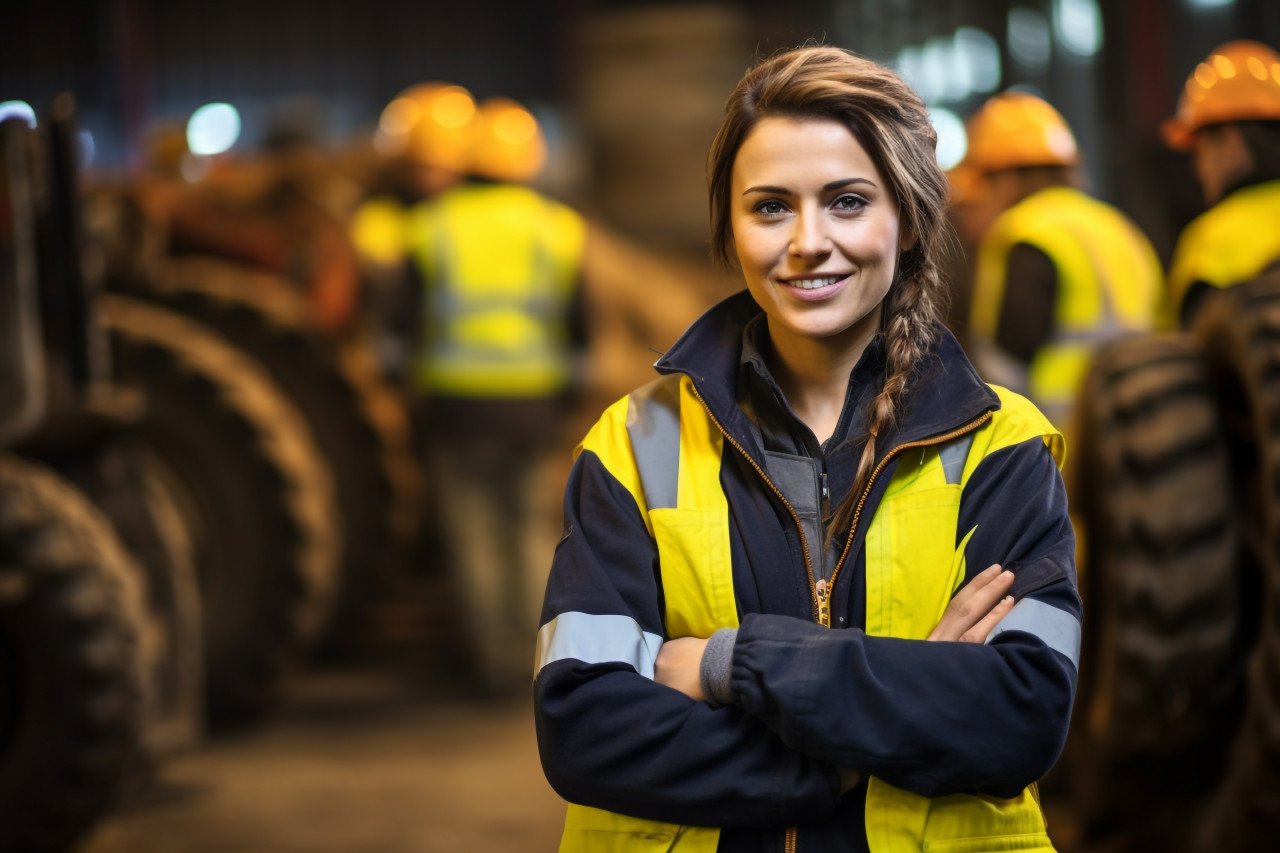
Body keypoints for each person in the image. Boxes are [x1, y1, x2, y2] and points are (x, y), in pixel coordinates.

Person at [534, 46, 1080, 853]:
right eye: (770, 207)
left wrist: (730, 662)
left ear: (910, 219)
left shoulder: (1002, 446)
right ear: (730, 225)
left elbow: (1019, 717)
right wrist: (882, 725)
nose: (808, 242)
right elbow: (586, 728)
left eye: (849, 202)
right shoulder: (633, 444)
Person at [397, 94, 590, 694]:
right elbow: (579, 331)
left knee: (472, 532)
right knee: (529, 528)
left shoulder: (429, 226)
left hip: (455, 405)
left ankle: (494, 666)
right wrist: (563, 396)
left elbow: (397, 330)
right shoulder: (558, 228)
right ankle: (540, 662)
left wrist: (402, 388)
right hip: (532, 403)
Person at [958, 92, 1162, 431]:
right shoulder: (1117, 225)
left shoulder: (1023, 232)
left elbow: (1003, 367)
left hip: (1062, 446)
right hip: (1146, 434)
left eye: (981, 191)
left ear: (1005, 179)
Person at [1162, 40, 1280, 327]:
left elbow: (1188, 359)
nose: (1197, 169)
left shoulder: (1213, 240)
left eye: (1200, 152)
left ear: (1231, 145)